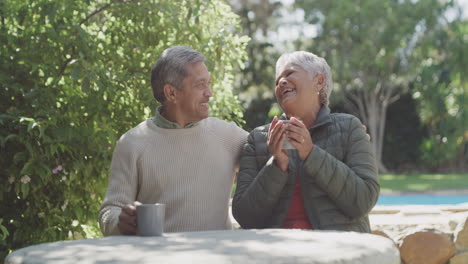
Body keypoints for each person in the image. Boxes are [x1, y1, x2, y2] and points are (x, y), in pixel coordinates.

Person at [99, 46, 248, 236]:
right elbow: (109, 211)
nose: (209, 93)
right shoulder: (133, 143)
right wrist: (120, 222)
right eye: (200, 85)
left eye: (208, 83)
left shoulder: (229, 135)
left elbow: (274, 156)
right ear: (171, 93)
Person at [232, 51, 379, 233]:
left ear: (319, 82)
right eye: (278, 81)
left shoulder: (349, 127)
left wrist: (311, 153)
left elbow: (363, 201)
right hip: (276, 251)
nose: (281, 83)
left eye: (289, 74)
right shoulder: (258, 139)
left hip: (337, 250)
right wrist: (277, 165)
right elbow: (245, 217)